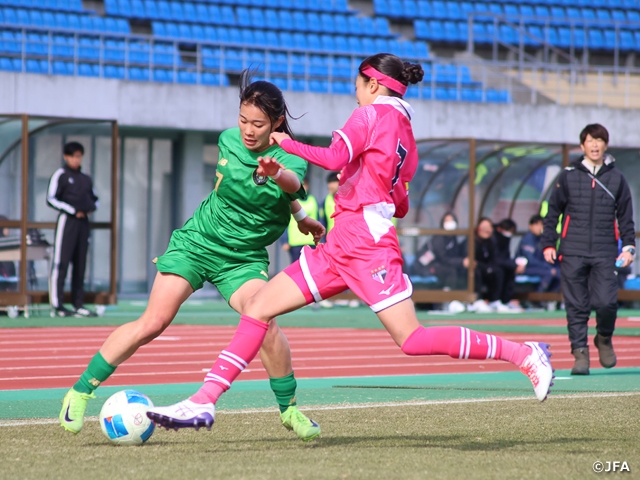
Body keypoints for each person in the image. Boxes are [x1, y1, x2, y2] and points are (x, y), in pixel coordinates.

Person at [147, 53, 554, 430]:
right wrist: (362, 183)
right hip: (343, 241)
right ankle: (204, 400)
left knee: (411, 339)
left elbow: (334, 158)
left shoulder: (369, 114)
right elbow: (402, 201)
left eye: (357, 84)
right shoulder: (405, 129)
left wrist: (285, 143)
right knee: (258, 307)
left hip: (364, 245)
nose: (354, 92)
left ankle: (524, 354)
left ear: (372, 84)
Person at [58, 74, 325, 442]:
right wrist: (297, 212)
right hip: (197, 242)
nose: (248, 130)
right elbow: (242, 187)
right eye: (243, 120)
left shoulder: (290, 154)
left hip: (243, 259)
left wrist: (287, 192)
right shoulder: (228, 141)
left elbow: (293, 185)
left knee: (264, 322)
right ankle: (80, 390)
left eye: (258, 124)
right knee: (153, 322)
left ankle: (289, 409)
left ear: (277, 123)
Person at [541, 123, 635, 375]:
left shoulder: (617, 178)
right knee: (576, 305)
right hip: (572, 249)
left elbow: (626, 218)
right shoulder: (568, 175)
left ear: (606, 145)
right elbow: (552, 213)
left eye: (599, 140)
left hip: (605, 251)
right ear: (582, 145)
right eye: (590, 140)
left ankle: (603, 337)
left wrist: (629, 248)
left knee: (606, 303)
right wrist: (549, 243)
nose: (595, 145)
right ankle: (580, 353)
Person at [46, 142, 99, 318]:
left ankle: (78, 305)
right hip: (67, 222)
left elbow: (95, 199)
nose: (76, 160)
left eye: (79, 156)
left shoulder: (86, 178)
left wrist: (89, 208)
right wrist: (72, 210)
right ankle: (57, 304)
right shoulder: (60, 175)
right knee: (61, 262)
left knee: (80, 264)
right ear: (66, 157)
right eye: (73, 156)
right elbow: (51, 198)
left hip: (84, 224)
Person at [411, 212, 468, 290]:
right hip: (426, 267)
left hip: (438, 265)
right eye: (447, 221)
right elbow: (443, 259)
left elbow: (453, 256)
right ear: (442, 223)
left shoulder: (453, 238)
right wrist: (461, 262)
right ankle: (447, 297)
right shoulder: (439, 239)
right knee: (451, 271)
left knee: (460, 270)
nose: (450, 223)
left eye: (452, 220)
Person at [517, 215, 560, 293]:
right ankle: (538, 298)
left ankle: (550, 299)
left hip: (540, 267)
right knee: (549, 273)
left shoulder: (541, 239)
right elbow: (530, 260)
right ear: (530, 226)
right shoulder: (528, 239)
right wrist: (548, 267)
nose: (539, 227)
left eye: (541, 225)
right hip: (526, 268)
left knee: (559, 273)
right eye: (537, 224)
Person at [282, 178, 319, 264]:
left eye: (304, 185)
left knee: (311, 267)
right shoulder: (292, 201)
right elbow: (285, 222)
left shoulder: (313, 201)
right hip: (295, 242)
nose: (303, 187)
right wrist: (284, 240)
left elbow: (319, 220)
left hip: (311, 241)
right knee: (296, 267)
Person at [492, 218, 525, 312]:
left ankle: (506, 300)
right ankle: (495, 300)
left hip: (502, 263)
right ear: (500, 229)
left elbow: (506, 256)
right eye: (507, 231)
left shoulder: (505, 238)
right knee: (500, 271)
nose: (509, 234)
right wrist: (514, 265)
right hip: (491, 265)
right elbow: (497, 258)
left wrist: (514, 265)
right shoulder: (494, 237)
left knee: (510, 271)